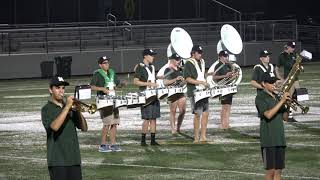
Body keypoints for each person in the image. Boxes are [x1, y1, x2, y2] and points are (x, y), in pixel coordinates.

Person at [41, 76, 88, 180]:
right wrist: (67, 107)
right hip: (57, 161)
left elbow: (84, 128)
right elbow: (55, 127)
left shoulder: (70, 108)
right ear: (50, 90)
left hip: (74, 159)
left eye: (62, 88)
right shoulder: (46, 109)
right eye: (57, 88)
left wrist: (78, 110)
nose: (61, 90)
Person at [255, 73, 289, 180]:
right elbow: (268, 115)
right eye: (271, 82)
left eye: (274, 82)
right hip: (269, 139)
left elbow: (285, 118)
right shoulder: (260, 97)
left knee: (278, 171)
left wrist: (287, 105)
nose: (274, 84)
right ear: (264, 84)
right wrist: (282, 101)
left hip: (280, 138)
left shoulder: (278, 96)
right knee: (271, 171)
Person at [90, 56, 123, 152]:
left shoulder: (112, 72)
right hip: (104, 102)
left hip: (113, 100)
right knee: (107, 123)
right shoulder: (97, 74)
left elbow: (116, 84)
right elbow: (91, 87)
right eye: (104, 63)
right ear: (100, 65)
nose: (107, 64)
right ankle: (103, 145)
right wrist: (102, 89)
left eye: (107, 62)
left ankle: (113, 144)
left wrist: (121, 85)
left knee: (115, 123)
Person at [134, 48, 160, 146]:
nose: (153, 57)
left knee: (154, 118)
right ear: (145, 56)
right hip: (145, 96)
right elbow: (135, 82)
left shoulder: (152, 67)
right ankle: (143, 140)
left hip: (154, 95)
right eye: (151, 55)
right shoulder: (140, 67)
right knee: (147, 119)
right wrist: (148, 84)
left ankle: (153, 140)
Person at [183, 45, 209, 143]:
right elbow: (187, 79)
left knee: (206, 113)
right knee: (197, 114)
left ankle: (203, 136)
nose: (200, 54)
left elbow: (202, 75)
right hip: (194, 92)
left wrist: (206, 80)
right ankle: (196, 137)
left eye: (201, 52)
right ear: (193, 53)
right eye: (198, 52)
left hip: (203, 91)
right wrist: (201, 82)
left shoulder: (202, 61)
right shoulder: (188, 63)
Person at [211, 50, 236, 129]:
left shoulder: (228, 65)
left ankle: (227, 123)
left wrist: (233, 75)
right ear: (220, 57)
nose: (226, 58)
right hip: (222, 88)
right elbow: (214, 77)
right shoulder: (218, 65)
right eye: (224, 56)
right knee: (224, 106)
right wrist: (225, 76)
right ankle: (222, 124)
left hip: (229, 87)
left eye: (227, 56)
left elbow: (230, 76)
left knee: (228, 106)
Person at [276, 41, 299, 122]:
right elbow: (277, 68)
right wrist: (280, 78)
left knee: (297, 95)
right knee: (289, 97)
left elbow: (297, 66)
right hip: (288, 79)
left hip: (295, 78)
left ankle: (289, 113)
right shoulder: (281, 56)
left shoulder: (294, 55)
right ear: (288, 47)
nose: (293, 48)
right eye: (292, 47)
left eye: (294, 47)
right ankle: (288, 115)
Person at [163, 53, 186, 134]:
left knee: (183, 111)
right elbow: (165, 82)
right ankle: (173, 129)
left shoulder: (180, 69)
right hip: (172, 92)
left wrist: (184, 80)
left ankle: (178, 127)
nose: (178, 61)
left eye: (179, 59)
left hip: (180, 92)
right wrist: (176, 79)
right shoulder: (168, 69)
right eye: (176, 59)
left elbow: (183, 82)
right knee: (173, 111)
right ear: (172, 60)